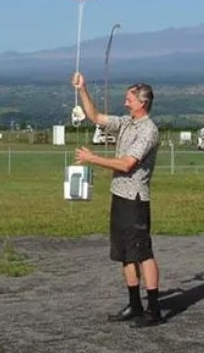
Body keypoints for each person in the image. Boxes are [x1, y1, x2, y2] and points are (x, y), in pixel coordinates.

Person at [72, 70, 164, 327]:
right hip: (119, 196)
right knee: (124, 253)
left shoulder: (148, 131)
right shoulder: (126, 123)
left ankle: (154, 309)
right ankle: (135, 305)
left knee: (143, 253)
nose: (125, 103)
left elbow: (126, 164)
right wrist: (82, 89)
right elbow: (94, 117)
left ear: (142, 102)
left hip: (135, 199)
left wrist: (92, 159)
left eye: (129, 99)